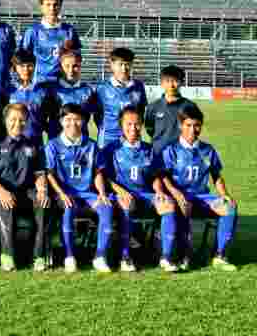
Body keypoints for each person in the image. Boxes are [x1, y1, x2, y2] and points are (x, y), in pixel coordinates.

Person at [160, 105, 238, 271]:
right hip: (180, 197)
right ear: (181, 125)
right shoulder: (171, 150)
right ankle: (181, 254)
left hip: (202, 197)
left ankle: (219, 255)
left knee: (229, 207)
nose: (193, 130)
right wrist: (176, 193)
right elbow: (163, 176)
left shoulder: (207, 150)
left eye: (197, 125)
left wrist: (224, 195)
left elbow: (216, 176)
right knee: (183, 206)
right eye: (188, 125)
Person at [100, 106, 177, 273]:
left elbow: (154, 176)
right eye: (128, 124)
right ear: (121, 125)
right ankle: (125, 257)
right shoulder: (110, 149)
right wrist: (119, 190)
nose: (133, 128)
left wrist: (160, 192)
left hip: (145, 194)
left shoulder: (149, 149)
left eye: (137, 124)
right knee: (127, 203)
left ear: (142, 125)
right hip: (120, 195)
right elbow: (103, 177)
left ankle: (166, 256)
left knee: (168, 204)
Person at [46, 103, 113, 274]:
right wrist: (61, 193)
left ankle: (100, 256)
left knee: (106, 208)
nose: (72, 123)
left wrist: (102, 193)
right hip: (66, 193)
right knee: (68, 208)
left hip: (88, 193)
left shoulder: (91, 145)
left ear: (83, 122)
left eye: (77, 119)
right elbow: (49, 174)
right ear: (61, 121)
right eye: (68, 119)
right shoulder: (53, 145)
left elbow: (98, 173)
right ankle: (69, 256)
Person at [0, 103, 51, 272]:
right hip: (3, 191)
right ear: (5, 121)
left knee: (42, 203)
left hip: (27, 192)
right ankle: (8, 255)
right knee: (6, 202)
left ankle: (39, 256)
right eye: (13, 119)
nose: (17, 124)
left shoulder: (33, 145)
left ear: (27, 121)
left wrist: (42, 191)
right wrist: (1, 192)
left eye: (22, 120)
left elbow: (39, 173)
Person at [19, 0, 80, 84]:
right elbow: (22, 59)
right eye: (48, 4)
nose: (52, 8)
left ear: (60, 6)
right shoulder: (32, 31)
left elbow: (78, 59)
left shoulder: (69, 31)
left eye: (56, 4)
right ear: (41, 7)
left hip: (62, 83)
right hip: (38, 82)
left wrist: (69, 52)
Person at [95, 47, 147, 149]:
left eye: (127, 64)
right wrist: (107, 128)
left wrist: (133, 129)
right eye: (120, 64)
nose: (124, 69)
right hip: (108, 138)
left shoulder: (139, 86)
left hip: (131, 137)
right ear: (112, 65)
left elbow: (141, 111)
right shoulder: (102, 87)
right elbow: (97, 114)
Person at [46, 43, 98, 140]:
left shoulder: (89, 91)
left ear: (80, 66)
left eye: (75, 66)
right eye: (67, 66)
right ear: (61, 67)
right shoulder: (51, 90)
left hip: (82, 145)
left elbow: (97, 117)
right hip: (57, 144)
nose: (71, 70)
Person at [5, 50, 55, 145]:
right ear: (15, 68)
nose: (26, 70)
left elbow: (47, 119)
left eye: (29, 65)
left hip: (35, 142)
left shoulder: (43, 91)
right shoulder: (8, 90)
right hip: (12, 144)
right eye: (22, 66)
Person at [145, 65, 196, 156]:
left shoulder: (190, 106)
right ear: (162, 83)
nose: (171, 85)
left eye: (175, 81)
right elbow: (150, 129)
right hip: (158, 154)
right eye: (167, 81)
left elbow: (194, 130)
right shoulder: (153, 107)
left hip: (181, 154)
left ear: (181, 82)